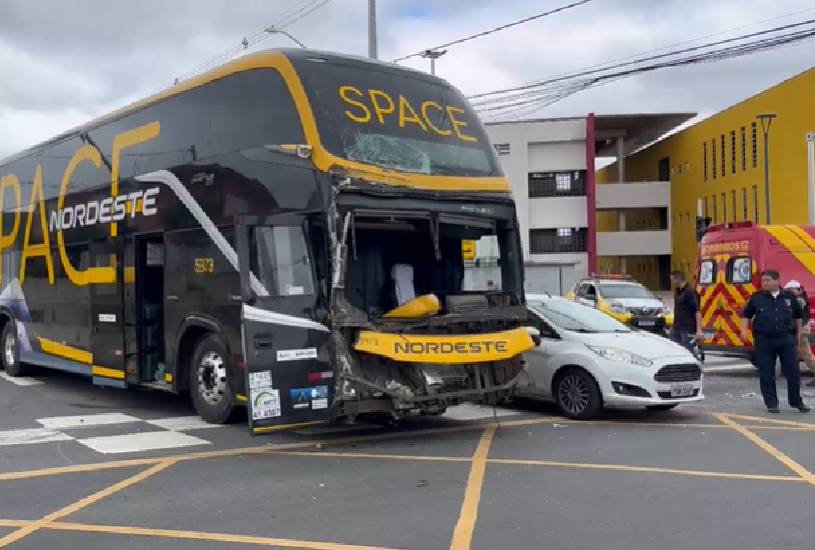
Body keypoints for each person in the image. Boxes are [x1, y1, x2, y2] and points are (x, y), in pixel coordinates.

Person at [741, 270, 811, 413]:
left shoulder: (789, 298)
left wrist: (798, 335)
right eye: (763, 280)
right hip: (764, 340)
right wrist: (744, 329)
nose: (764, 283)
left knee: (793, 371)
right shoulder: (757, 297)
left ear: (777, 281)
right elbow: (746, 314)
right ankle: (771, 403)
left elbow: (798, 316)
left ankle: (796, 401)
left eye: (767, 280)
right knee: (766, 372)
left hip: (786, 339)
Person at [784, 280, 815, 387]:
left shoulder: (800, 300)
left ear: (798, 290)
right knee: (797, 352)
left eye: (791, 289)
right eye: (788, 290)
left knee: (806, 353)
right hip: (800, 327)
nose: (789, 292)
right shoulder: (798, 299)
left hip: (802, 328)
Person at [669, 271, 702, 353]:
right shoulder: (677, 291)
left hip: (687, 329)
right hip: (676, 327)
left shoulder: (689, 292)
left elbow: (697, 312)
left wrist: (699, 331)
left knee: (688, 352)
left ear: (678, 279)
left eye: (672, 280)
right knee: (675, 351)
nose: (671, 282)